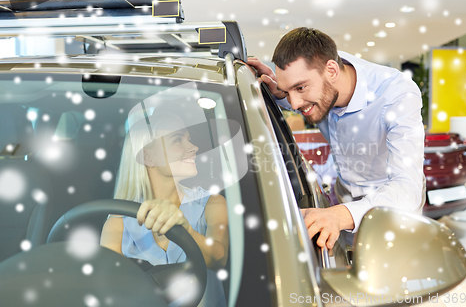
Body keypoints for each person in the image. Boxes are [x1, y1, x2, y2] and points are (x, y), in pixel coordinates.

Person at [247, 27, 425, 250]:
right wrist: (277, 90)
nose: (293, 104)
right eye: (288, 92)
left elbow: (408, 189)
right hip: (343, 212)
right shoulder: (323, 81)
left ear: (331, 70)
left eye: (300, 87)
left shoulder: (396, 94)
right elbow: (300, 99)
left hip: (391, 220)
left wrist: (339, 216)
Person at [100, 104, 228, 307]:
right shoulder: (117, 224)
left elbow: (218, 258)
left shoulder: (212, 203)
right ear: (148, 156)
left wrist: (185, 229)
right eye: (177, 140)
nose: (193, 147)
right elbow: (109, 293)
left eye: (189, 139)